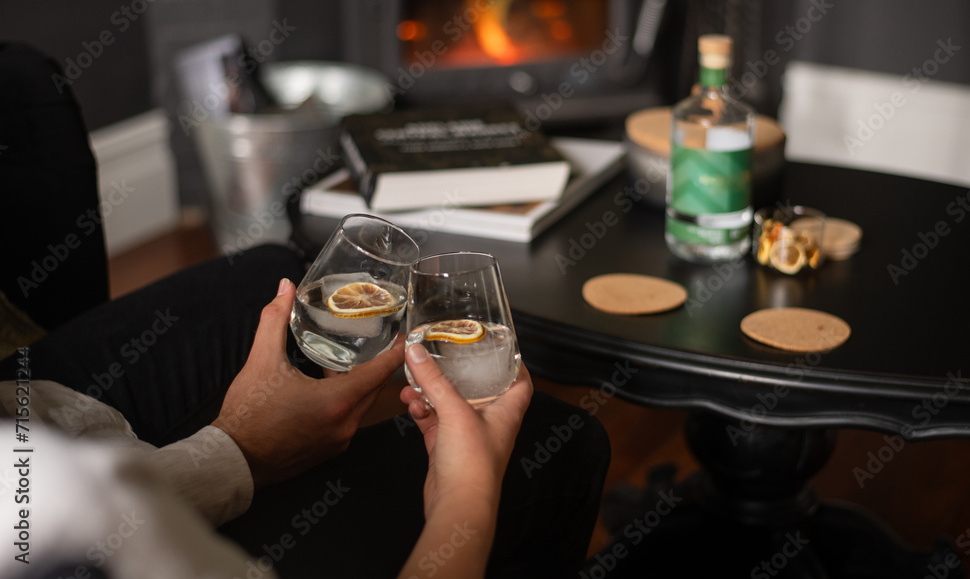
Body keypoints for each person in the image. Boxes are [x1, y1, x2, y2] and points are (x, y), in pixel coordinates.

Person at [0, 43, 610, 578]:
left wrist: (240, 441)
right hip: (56, 487)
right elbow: (84, 508)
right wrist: (468, 487)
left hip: (27, 409)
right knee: (556, 438)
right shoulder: (65, 526)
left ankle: (299, 423)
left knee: (273, 270)